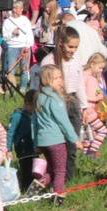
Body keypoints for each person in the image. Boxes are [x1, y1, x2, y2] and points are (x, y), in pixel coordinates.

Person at [39, 27, 86, 183]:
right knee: (58, 143)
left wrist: (84, 106)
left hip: (72, 101)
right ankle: (52, 176)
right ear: (60, 43)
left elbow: (79, 84)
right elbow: (41, 88)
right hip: (55, 102)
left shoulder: (76, 61)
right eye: (70, 47)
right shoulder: (49, 62)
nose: (73, 50)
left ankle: (67, 178)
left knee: (73, 142)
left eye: (75, 47)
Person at [28, 65, 80, 204]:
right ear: (46, 81)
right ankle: (58, 199)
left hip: (43, 141)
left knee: (52, 169)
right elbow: (63, 122)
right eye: (56, 78)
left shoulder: (39, 98)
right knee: (60, 171)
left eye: (60, 77)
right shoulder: (55, 99)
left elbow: (34, 122)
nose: (60, 81)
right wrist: (75, 139)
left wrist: (35, 142)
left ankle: (34, 190)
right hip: (56, 141)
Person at [7, 89, 38, 192]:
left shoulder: (33, 115)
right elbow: (10, 132)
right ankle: (25, 189)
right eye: (34, 106)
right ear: (27, 103)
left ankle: (32, 189)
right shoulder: (17, 116)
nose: (35, 109)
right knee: (26, 168)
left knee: (34, 168)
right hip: (23, 148)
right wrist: (8, 148)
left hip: (33, 147)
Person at [81, 53, 107, 157]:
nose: (101, 71)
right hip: (89, 111)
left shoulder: (82, 75)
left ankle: (85, 155)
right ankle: (92, 151)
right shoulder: (91, 79)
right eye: (100, 68)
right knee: (102, 131)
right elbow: (88, 97)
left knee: (87, 135)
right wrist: (99, 97)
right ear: (92, 64)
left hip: (83, 111)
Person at [2, 0, 34, 91]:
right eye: (14, 8)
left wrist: (28, 46)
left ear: (22, 9)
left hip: (24, 47)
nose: (16, 10)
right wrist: (12, 33)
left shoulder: (25, 20)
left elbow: (29, 34)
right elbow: (5, 37)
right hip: (12, 47)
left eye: (18, 8)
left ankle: (23, 88)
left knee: (24, 68)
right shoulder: (7, 21)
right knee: (11, 69)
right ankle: (11, 88)